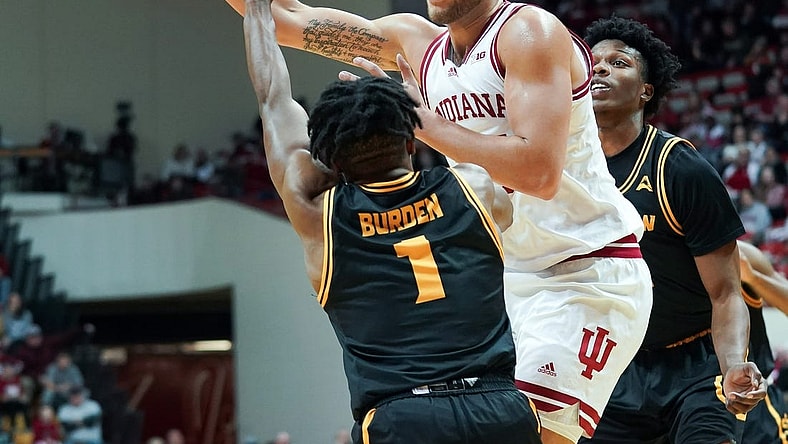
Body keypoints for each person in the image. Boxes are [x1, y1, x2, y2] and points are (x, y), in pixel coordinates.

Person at [225, 1, 652, 442]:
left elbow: (538, 174)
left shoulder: (528, 31)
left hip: (581, 272)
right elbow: (284, 19)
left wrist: (421, 123)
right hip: (508, 274)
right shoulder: (416, 43)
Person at [578, 16, 766, 444]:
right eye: (594, 62)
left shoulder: (679, 168)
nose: (601, 69)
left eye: (619, 63)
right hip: (613, 363)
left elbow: (726, 293)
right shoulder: (566, 170)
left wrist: (734, 363)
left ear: (646, 91)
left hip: (696, 367)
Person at [738, 240, 788, 443]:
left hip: (752, 398)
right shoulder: (651, 260)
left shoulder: (742, 254)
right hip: (676, 393)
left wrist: (753, 278)